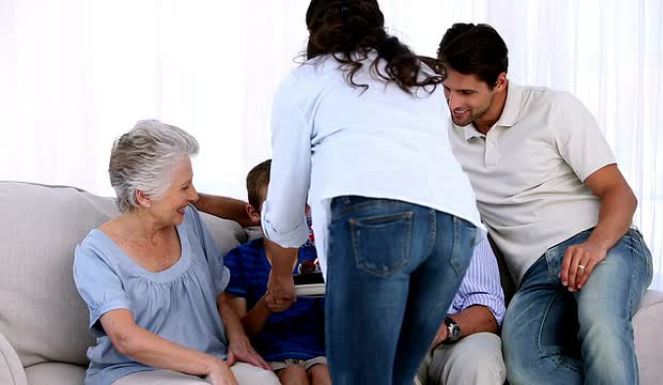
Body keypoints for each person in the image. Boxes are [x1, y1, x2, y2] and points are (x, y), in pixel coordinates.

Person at [260, 1, 485, 384]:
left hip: (376, 223)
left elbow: (285, 202)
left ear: (315, 32)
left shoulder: (307, 80)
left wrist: (281, 269)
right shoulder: (419, 76)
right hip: (455, 228)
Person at [438, 23, 653, 385]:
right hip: (536, 273)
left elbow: (619, 192)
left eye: (467, 92)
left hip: (604, 244)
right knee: (523, 367)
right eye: (447, 90)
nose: (454, 103)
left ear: (500, 82)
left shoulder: (553, 108)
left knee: (600, 322)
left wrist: (594, 246)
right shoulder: (446, 138)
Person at [72, 120, 280, 385]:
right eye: (184, 187)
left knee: (266, 382)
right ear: (144, 197)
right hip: (135, 370)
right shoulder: (96, 254)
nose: (194, 196)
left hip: (210, 360)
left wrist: (238, 339)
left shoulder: (188, 221)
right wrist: (210, 366)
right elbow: (126, 339)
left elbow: (221, 295)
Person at [223, 159, 330, 385]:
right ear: (254, 213)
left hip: (318, 353)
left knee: (323, 375)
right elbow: (240, 332)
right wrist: (266, 305)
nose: (291, 216)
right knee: (294, 375)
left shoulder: (317, 254)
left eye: (300, 204)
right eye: (280, 206)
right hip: (272, 354)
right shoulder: (240, 260)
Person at [415, 239, 506, 385]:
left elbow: (489, 311)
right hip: (394, 341)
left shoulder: (464, 221)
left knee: (478, 363)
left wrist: (447, 328)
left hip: (458, 332)